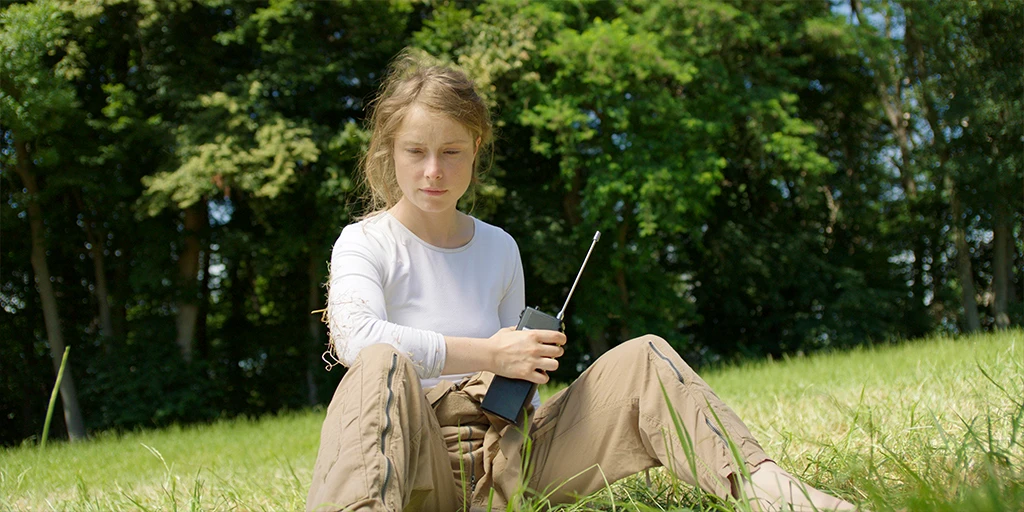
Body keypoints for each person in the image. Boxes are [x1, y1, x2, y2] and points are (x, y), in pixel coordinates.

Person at [306, 51, 861, 512]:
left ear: (476, 150)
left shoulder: (499, 247)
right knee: (381, 362)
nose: (434, 170)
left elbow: (517, 385)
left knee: (647, 357)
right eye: (416, 152)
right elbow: (355, 341)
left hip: (505, 456)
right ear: (389, 153)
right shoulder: (365, 242)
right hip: (410, 461)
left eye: (451, 152)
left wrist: (526, 366)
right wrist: (492, 353)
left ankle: (778, 494)